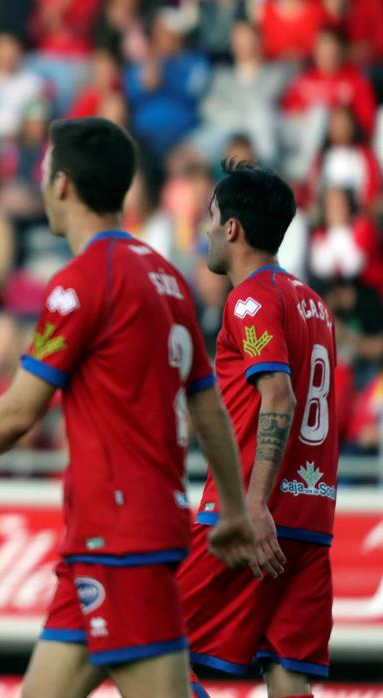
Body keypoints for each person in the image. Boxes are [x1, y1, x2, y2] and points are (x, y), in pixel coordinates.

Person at [0, 117, 257, 698]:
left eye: (42, 174)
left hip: (119, 533)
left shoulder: (83, 282)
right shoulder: (166, 277)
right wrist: (234, 508)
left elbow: (18, 412)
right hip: (107, 533)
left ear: (61, 185)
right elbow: (208, 407)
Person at [179, 160, 339, 698]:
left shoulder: (249, 300)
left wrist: (252, 502)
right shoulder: (314, 305)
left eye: (211, 216)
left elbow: (278, 394)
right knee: (288, 676)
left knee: (147, 641)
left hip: (250, 514)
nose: (205, 229)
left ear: (232, 228)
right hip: (310, 521)